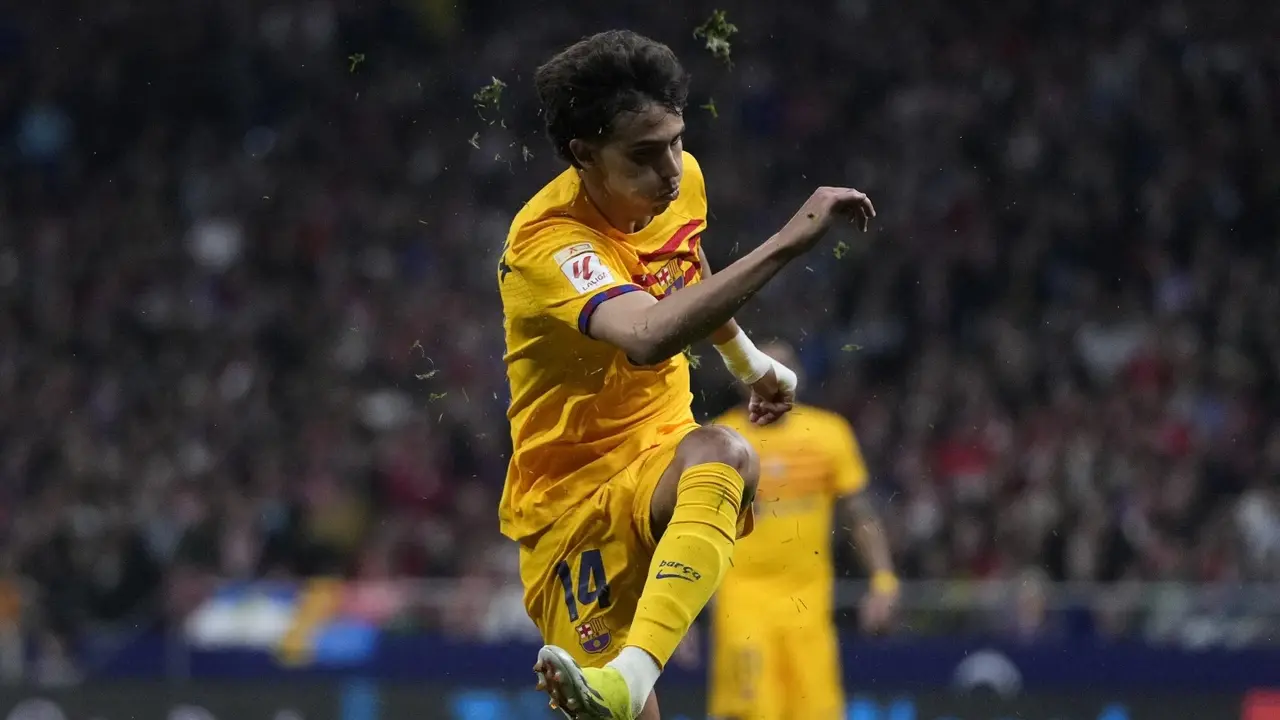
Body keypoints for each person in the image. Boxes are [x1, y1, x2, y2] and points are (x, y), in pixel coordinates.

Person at [497, 29, 876, 720]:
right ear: (584, 154)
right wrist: (791, 240)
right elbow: (645, 335)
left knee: (726, 453)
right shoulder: (547, 245)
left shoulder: (681, 183)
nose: (672, 169)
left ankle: (632, 674)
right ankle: (627, 690)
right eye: (643, 155)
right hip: (571, 506)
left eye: (676, 139)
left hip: (660, 453)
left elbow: (682, 271)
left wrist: (749, 364)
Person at [706, 341, 898, 720]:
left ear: (797, 377)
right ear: (744, 377)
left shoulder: (829, 435)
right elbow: (700, 529)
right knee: (747, 712)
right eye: (762, 369)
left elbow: (859, 515)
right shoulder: (722, 440)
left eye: (783, 368)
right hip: (742, 604)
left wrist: (884, 579)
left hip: (808, 606)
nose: (772, 378)